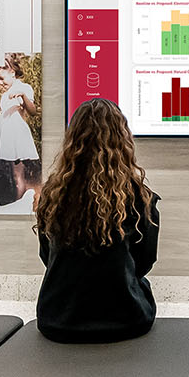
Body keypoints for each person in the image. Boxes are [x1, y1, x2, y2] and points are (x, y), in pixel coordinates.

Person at [33, 99, 159, 343]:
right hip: (126, 320)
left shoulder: (52, 195)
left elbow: (47, 257)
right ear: (122, 140)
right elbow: (144, 261)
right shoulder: (139, 198)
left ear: (72, 141)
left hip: (58, 321)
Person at [0, 61, 40, 205]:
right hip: (6, 135)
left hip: (17, 135)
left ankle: (20, 204)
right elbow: (5, 115)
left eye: (2, 78)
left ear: (12, 72)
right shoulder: (5, 94)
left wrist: (23, 96)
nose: (0, 82)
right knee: (13, 174)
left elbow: (32, 111)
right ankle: (19, 202)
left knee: (19, 174)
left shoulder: (23, 88)